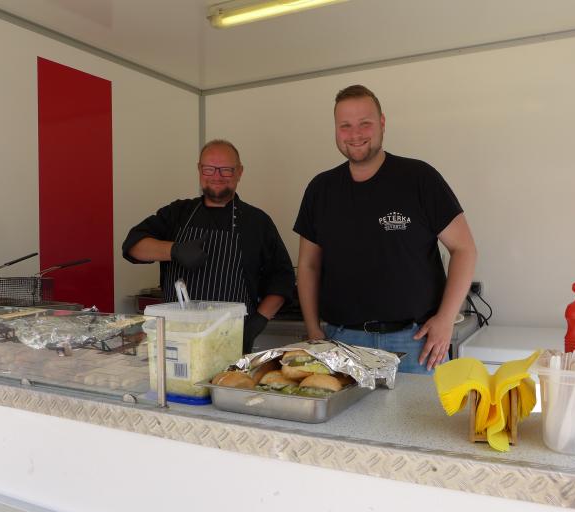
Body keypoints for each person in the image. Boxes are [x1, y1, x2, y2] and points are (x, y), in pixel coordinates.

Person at [293, 85, 477, 374]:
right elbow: (308, 265)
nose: (355, 134)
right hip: (342, 342)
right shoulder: (320, 189)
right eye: (345, 125)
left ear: (382, 123)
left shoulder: (420, 178)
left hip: (416, 343)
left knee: (422, 407)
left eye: (364, 123)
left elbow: (464, 249)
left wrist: (445, 319)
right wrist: (314, 330)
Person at [123, 139, 295, 353]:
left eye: (226, 170)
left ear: (240, 172)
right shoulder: (178, 213)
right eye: (209, 169)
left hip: (233, 339)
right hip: (176, 340)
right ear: (199, 170)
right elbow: (132, 245)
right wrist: (174, 250)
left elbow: (282, 279)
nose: (217, 176)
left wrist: (257, 322)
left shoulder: (257, 222)